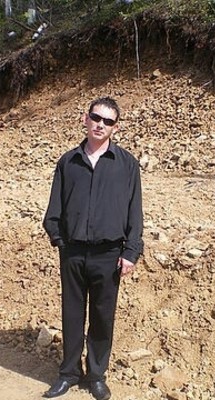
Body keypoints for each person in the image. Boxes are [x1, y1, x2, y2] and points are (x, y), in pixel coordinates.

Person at [42, 97, 143, 400]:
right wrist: (60, 241)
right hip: (72, 252)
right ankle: (69, 373)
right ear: (85, 119)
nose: (101, 125)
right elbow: (54, 209)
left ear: (115, 127)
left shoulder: (127, 165)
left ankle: (96, 375)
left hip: (109, 255)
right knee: (72, 315)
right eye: (96, 118)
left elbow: (135, 212)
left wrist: (131, 252)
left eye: (108, 121)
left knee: (102, 316)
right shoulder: (68, 162)